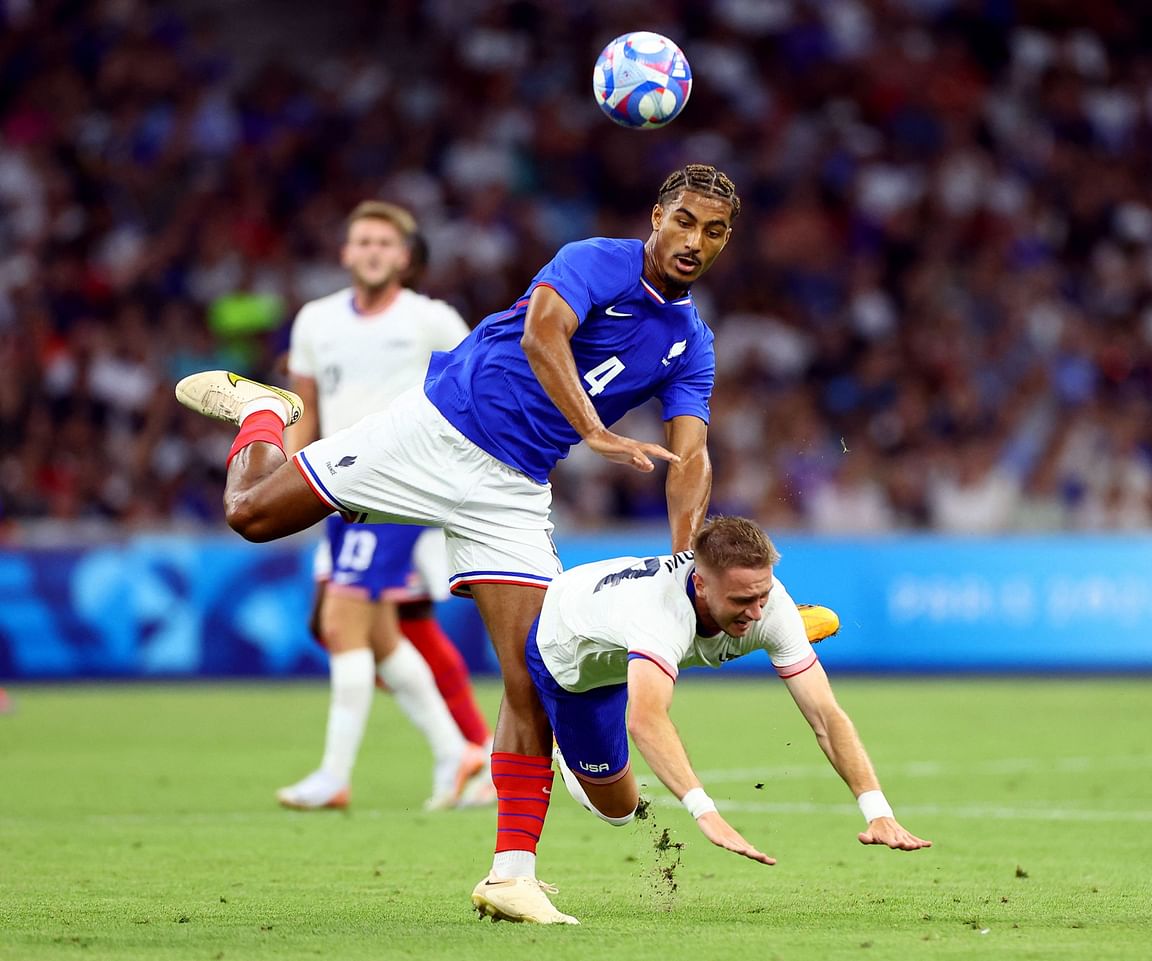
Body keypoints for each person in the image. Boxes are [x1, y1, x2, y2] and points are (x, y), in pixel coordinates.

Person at [175, 163, 739, 923]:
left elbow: (691, 457)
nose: (693, 241)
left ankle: (511, 874)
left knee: (534, 673)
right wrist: (597, 432)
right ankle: (264, 413)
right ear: (656, 216)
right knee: (247, 512)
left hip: (511, 491)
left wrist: (683, 564)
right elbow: (545, 334)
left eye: (713, 231)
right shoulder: (597, 260)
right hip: (433, 432)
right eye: (683, 221)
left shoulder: (691, 342)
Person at [491, 515, 929, 921]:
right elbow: (645, 721)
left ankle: (775, 638)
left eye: (762, 596)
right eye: (743, 599)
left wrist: (877, 810)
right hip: (573, 659)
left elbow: (826, 717)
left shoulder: (765, 602)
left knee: (760, 627)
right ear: (700, 584)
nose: (758, 609)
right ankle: (564, 746)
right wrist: (705, 811)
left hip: (643, 644)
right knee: (619, 810)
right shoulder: (658, 612)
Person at [277, 201, 494, 812]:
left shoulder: (431, 319)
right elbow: (305, 406)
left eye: (384, 243)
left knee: (342, 623)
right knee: (373, 633)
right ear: (345, 253)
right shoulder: (315, 321)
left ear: (405, 256)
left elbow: (476, 386)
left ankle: (333, 776)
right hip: (336, 486)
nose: (372, 251)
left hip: (402, 486)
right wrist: (295, 480)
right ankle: (458, 753)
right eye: (362, 241)